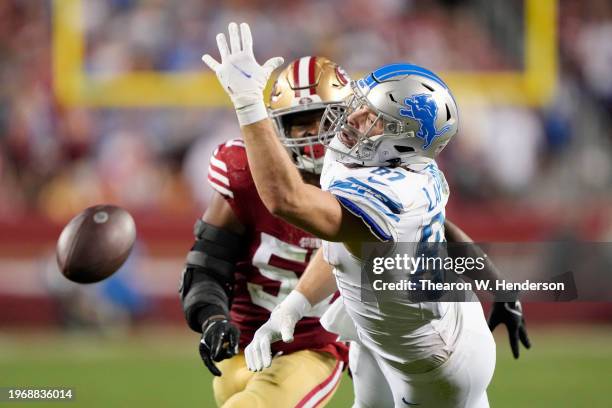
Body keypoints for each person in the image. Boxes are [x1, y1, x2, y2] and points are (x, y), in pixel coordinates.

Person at [202, 22, 530, 407]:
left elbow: (285, 200)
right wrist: (291, 309)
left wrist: (247, 104)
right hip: (421, 317)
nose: (354, 118)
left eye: (373, 119)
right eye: (362, 105)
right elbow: (348, 247)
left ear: (399, 143)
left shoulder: (388, 196)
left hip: (432, 360)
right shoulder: (401, 162)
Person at [179, 56, 352, 407]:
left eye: (324, 117)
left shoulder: (367, 181)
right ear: (278, 129)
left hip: (313, 347)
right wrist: (213, 318)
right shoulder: (245, 173)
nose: (314, 132)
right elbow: (206, 265)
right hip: (240, 347)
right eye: (299, 122)